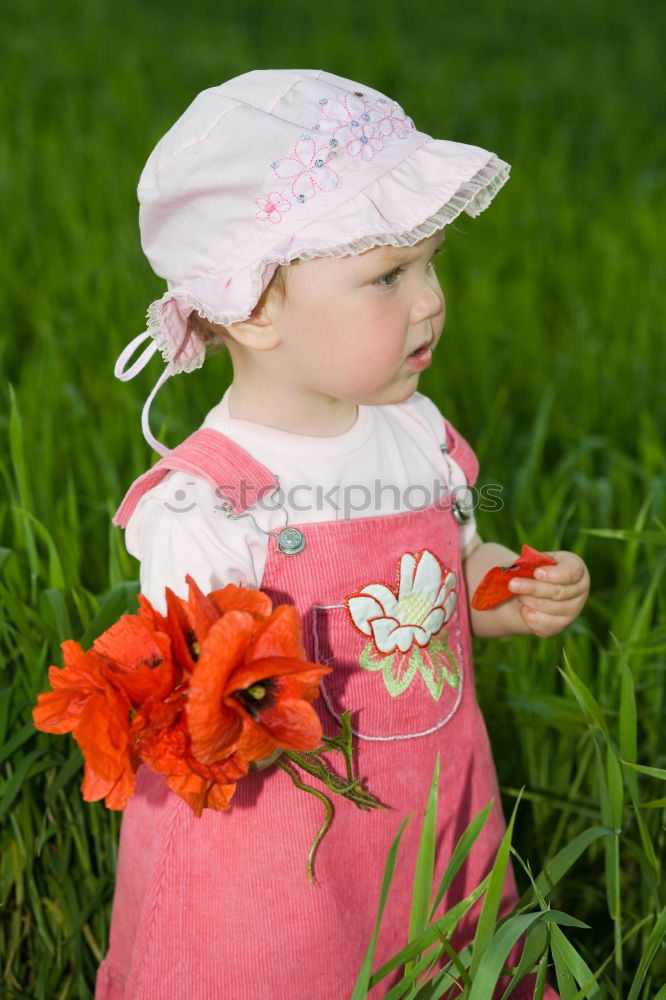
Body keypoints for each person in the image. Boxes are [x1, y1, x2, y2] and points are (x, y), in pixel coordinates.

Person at [97, 69, 589, 999]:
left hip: (433, 809)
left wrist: (505, 590)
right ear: (253, 308)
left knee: (445, 958)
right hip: (277, 849)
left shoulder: (414, 433)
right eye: (388, 277)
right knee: (284, 966)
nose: (431, 299)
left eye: (431, 263)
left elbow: (441, 578)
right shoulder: (210, 500)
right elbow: (181, 697)